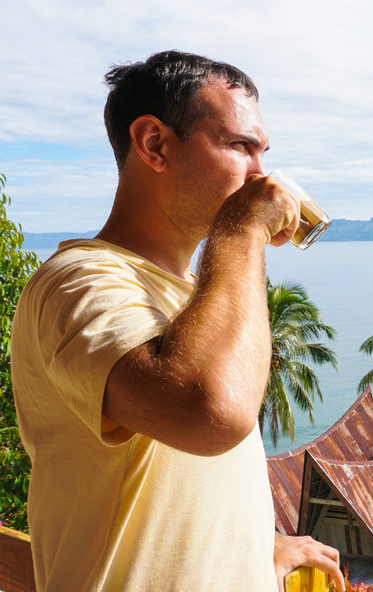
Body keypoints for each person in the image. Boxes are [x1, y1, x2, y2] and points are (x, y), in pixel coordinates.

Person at [11, 50, 346, 591]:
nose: (261, 175)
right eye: (240, 146)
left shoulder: (197, 296)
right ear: (154, 144)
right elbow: (209, 413)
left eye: (262, 153)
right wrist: (240, 232)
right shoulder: (76, 283)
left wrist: (258, 542)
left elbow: (184, 484)